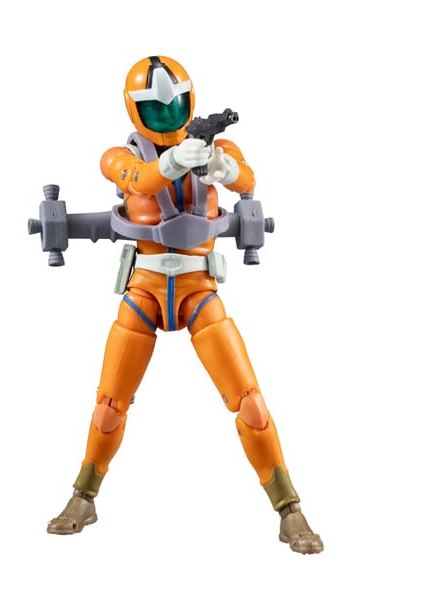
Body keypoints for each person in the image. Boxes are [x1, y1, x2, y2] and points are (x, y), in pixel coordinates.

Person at [46, 55, 323, 554]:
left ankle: (289, 509)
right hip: (144, 291)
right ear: (135, 109)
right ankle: (83, 498)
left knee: (250, 403)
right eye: (155, 109)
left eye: (174, 107)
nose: (167, 117)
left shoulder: (216, 146)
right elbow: (135, 178)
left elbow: (246, 179)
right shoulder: (118, 155)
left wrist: (221, 166)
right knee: (110, 406)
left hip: (199, 291)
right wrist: (172, 163)